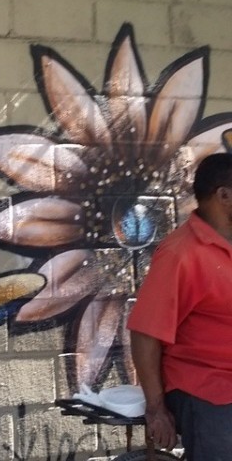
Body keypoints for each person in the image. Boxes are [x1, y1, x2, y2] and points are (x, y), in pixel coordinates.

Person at [127, 152, 232, 461]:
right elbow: (144, 333)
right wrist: (156, 408)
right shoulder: (180, 254)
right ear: (224, 196)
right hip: (207, 388)